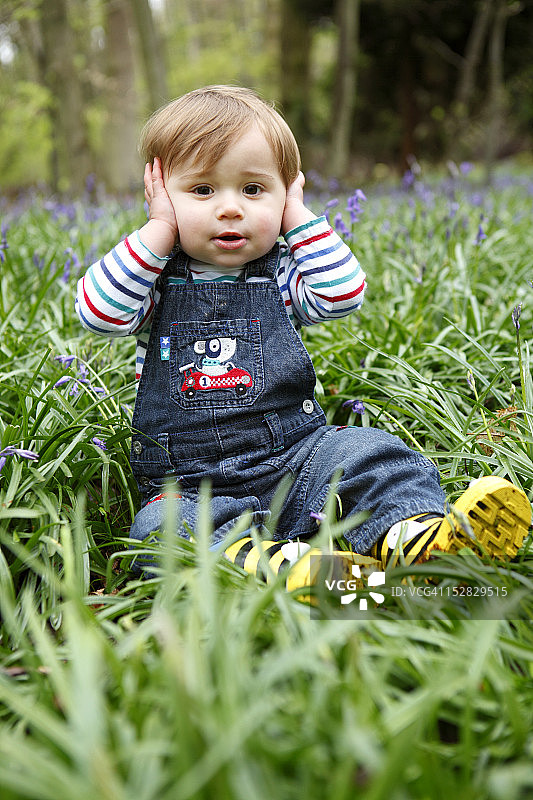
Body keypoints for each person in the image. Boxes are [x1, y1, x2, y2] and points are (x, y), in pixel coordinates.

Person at [75, 85, 531, 586]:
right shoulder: (152, 281)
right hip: (190, 484)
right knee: (160, 530)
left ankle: (415, 540)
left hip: (298, 458)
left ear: (285, 192)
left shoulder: (283, 276)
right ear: (160, 192)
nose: (230, 208)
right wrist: (160, 229)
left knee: (371, 452)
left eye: (254, 189)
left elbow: (343, 294)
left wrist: (295, 215)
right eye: (202, 190)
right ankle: (286, 570)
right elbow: (99, 312)